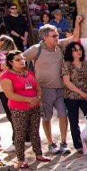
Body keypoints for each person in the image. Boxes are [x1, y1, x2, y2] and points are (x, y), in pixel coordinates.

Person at [23, 18, 82, 155]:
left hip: (61, 88)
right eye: (54, 35)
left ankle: (63, 142)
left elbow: (75, 38)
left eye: (57, 35)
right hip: (44, 89)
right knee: (46, 117)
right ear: (45, 37)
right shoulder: (36, 49)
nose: (57, 37)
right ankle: (50, 143)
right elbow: (19, 60)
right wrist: (28, 75)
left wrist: (77, 23)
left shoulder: (60, 45)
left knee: (63, 115)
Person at [0, 51, 51, 169]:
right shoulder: (6, 75)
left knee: (35, 131)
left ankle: (39, 155)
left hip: (34, 107)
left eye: (22, 58)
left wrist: (37, 98)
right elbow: (9, 94)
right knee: (20, 134)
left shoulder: (28, 73)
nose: (22, 61)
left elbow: (38, 88)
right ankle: (21, 160)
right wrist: (29, 99)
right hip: (19, 109)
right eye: (18, 60)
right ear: (10, 62)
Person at [62, 42, 87, 154]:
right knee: (74, 121)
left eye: (80, 49)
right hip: (71, 96)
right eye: (75, 50)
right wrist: (81, 93)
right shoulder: (67, 64)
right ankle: (78, 145)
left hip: (86, 96)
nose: (78, 52)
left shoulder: (85, 63)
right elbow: (67, 82)